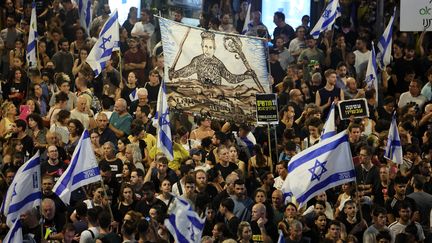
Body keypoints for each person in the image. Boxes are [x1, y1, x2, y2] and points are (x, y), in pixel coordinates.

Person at [169, 31, 253, 85]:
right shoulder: (197, 61)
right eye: (205, 46)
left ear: (214, 48)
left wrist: (244, 76)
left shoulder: (218, 63)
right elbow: (186, 71)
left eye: (210, 47)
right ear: (202, 46)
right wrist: (175, 74)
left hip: (216, 96)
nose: (207, 50)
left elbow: (230, 78)